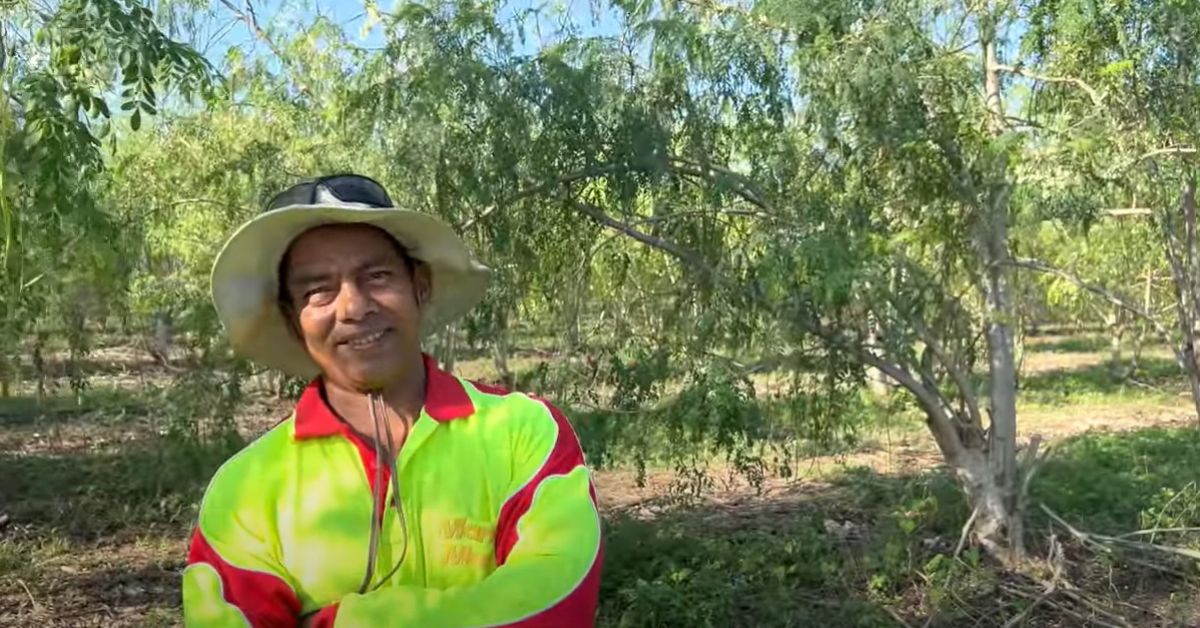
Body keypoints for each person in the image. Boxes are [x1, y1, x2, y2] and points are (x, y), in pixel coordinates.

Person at [182, 174, 603, 627]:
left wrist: (342, 621)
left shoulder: (525, 432)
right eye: (317, 290)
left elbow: (555, 602)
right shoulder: (247, 489)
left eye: (377, 276)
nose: (354, 307)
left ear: (419, 286)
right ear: (292, 318)